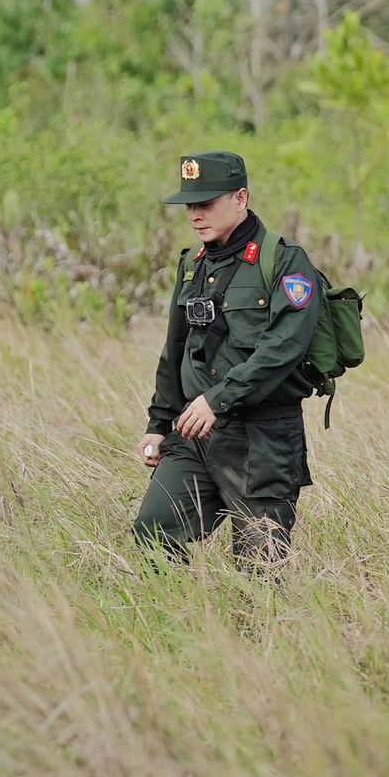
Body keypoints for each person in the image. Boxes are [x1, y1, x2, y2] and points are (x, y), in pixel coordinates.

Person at [135, 151, 321, 569]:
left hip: (261, 438)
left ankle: (257, 635)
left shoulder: (286, 261)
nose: (195, 215)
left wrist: (218, 399)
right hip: (194, 433)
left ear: (240, 198)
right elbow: (175, 349)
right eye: (189, 205)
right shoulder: (192, 264)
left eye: (206, 203)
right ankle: (182, 629)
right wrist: (159, 424)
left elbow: (283, 348)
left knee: (259, 568)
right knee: (153, 532)